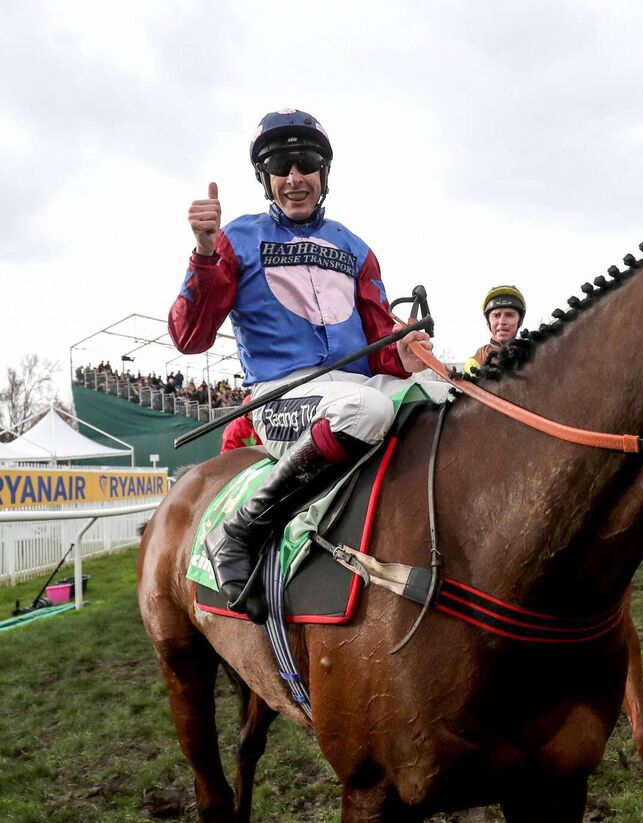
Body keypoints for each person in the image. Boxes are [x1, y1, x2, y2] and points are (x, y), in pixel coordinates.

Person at [169, 108, 432, 619]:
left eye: (306, 163)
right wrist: (203, 254)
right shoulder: (235, 240)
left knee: (444, 397)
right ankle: (240, 529)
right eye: (281, 165)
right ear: (266, 179)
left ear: (323, 174)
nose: (294, 177)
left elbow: (379, 345)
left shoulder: (356, 248)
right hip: (283, 395)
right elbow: (189, 337)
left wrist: (403, 352)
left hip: (356, 384)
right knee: (366, 413)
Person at [463, 285, 526, 374]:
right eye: (496, 315)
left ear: (520, 321)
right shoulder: (475, 362)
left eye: (509, 315)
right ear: (488, 322)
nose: (502, 321)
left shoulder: (534, 357)